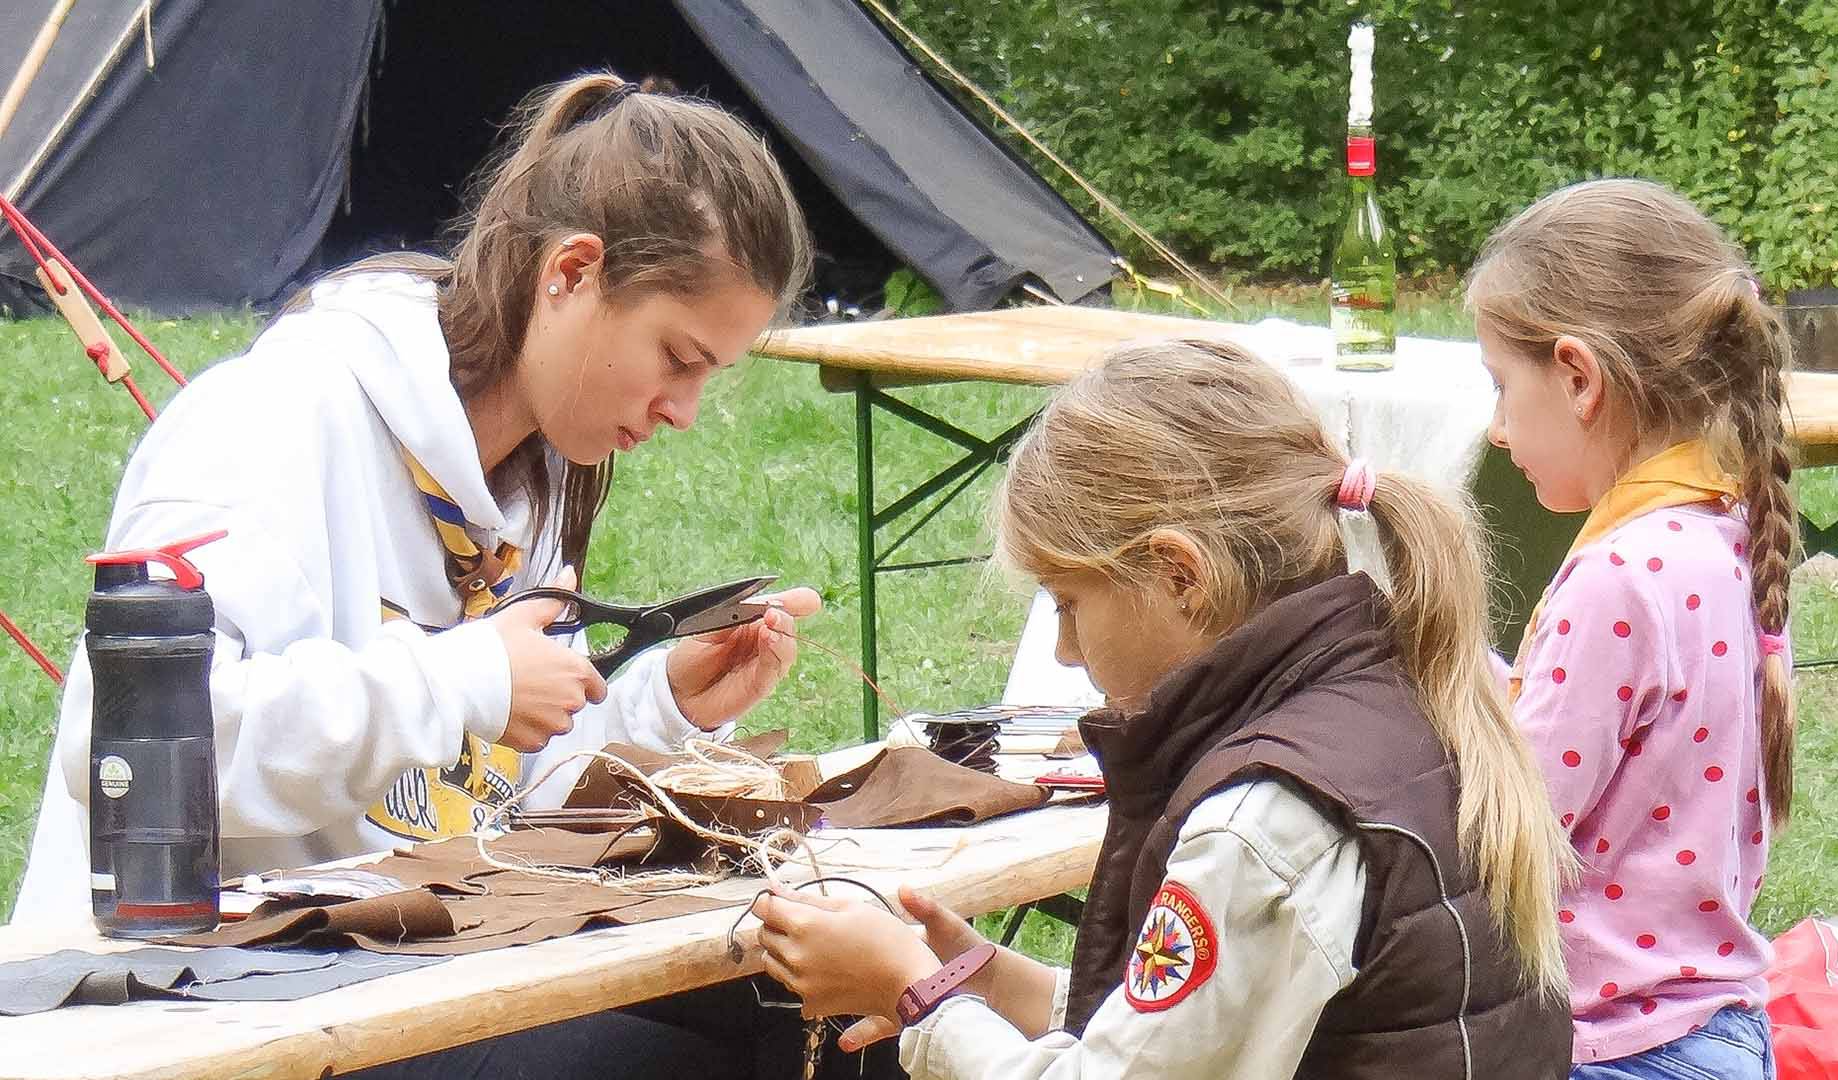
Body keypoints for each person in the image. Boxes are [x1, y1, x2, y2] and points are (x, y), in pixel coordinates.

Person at [17, 72, 840, 1078]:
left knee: (825, 1011)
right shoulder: (273, 421)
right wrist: (459, 680)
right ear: (572, 272)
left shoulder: (530, 482)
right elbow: (125, 758)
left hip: (396, 964)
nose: (685, 410)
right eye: (677, 356)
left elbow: (482, 809)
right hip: (191, 1001)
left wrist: (653, 708)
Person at [751, 339, 1576, 1079]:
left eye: (1068, 603)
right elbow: (1202, 1028)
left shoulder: (1266, 820)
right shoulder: (1399, 695)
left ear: (1180, 575)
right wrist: (991, 981)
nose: (1067, 650)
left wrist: (913, 992)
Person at [1467, 178, 1794, 1078]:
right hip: (1715, 1031)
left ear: (1578, 376)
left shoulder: (1619, 578)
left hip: (1617, 1050)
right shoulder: (1725, 536)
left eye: (1502, 386)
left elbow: (1516, 832)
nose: (1496, 429)